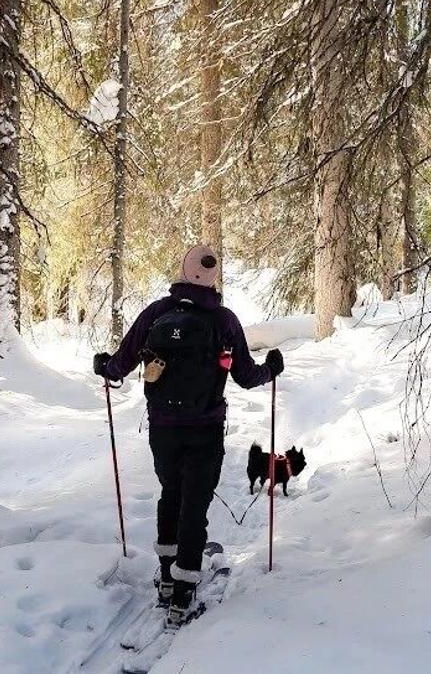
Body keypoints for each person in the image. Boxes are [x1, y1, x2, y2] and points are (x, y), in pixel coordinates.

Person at [93, 244, 284, 627]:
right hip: (206, 426)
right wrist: (271, 369)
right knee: (194, 505)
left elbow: (121, 364)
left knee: (171, 494)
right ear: (213, 277)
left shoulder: (157, 314)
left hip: (163, 427)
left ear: (182, 270)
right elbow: (245, 376)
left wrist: (104, 365)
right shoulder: (224, 320)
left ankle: (166, 579)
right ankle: (184, 594)